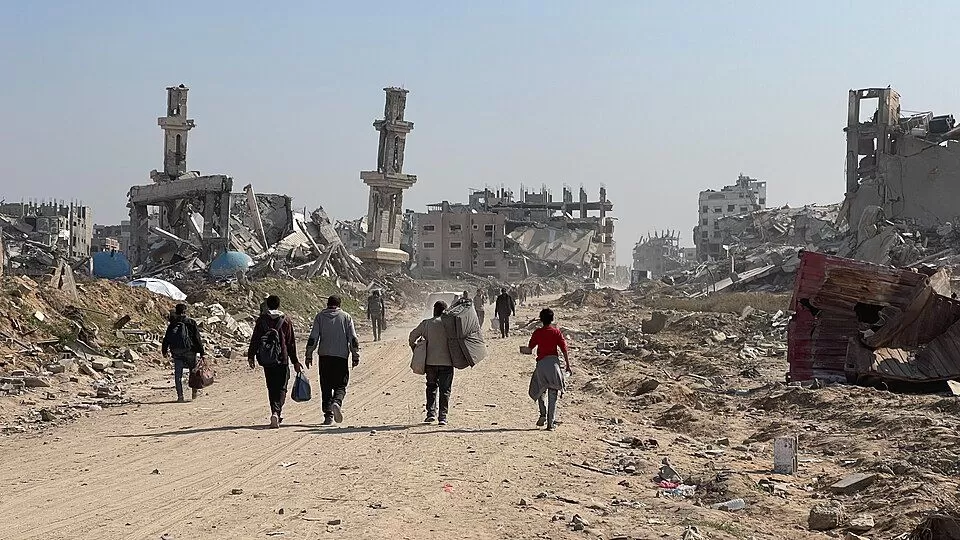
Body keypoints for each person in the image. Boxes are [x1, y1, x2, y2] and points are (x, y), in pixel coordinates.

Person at [247, 295, 302, 428]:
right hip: (282, 359)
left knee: (271, 387)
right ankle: (277, 412)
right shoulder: (285, 320)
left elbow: (255, 339)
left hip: (267, 359)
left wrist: (251, 356)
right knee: (282, 386)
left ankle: (274, 411)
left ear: (267, 305)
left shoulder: (262, 320)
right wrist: (295, 361)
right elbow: (290, 343)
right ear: (279, 305)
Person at [305, 295, 360, 426]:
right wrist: (355, 355)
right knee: (341, 385)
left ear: (327, 304)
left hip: (324, 357)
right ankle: (337, 402)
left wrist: (309, 354)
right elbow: (353, 338)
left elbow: (313, 337)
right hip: (341, 357)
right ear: (339, 305)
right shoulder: (346, 317)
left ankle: (328, 415)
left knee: (326, 385)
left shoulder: (320, 317)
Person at [524, 308, 572, 430]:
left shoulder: (538, 333)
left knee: (540, 390)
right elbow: (564, 349)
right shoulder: (556, 332)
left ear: (541, 319)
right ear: (552, 319)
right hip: (554, 365)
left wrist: (524, 350)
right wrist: (567, 365)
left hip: (541, 365)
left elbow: (530, 348)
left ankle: (542, 414)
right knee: (553, 394)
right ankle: (551, 423)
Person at [409, 300, 454, 425]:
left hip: (430, 363)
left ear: (434, 310)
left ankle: (431, 414)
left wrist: (415, 349)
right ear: (445, 311)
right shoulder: (450, 325)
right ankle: (442, 417)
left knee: (431, 387)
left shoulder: (426, 324)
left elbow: (412, 337)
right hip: (447, 363)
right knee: (445, 390)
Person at [161, 303, 206, 403]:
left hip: (177, 352)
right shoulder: (191, 322)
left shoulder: (172, 324)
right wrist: (202, 352)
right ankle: (194, 392)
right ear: (185, 311)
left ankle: (180, 396)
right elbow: (197, 338)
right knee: (193, 372)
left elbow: (166, 338)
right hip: (190, 351)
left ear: (176, 312)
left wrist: (164, 351)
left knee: (178, 375)